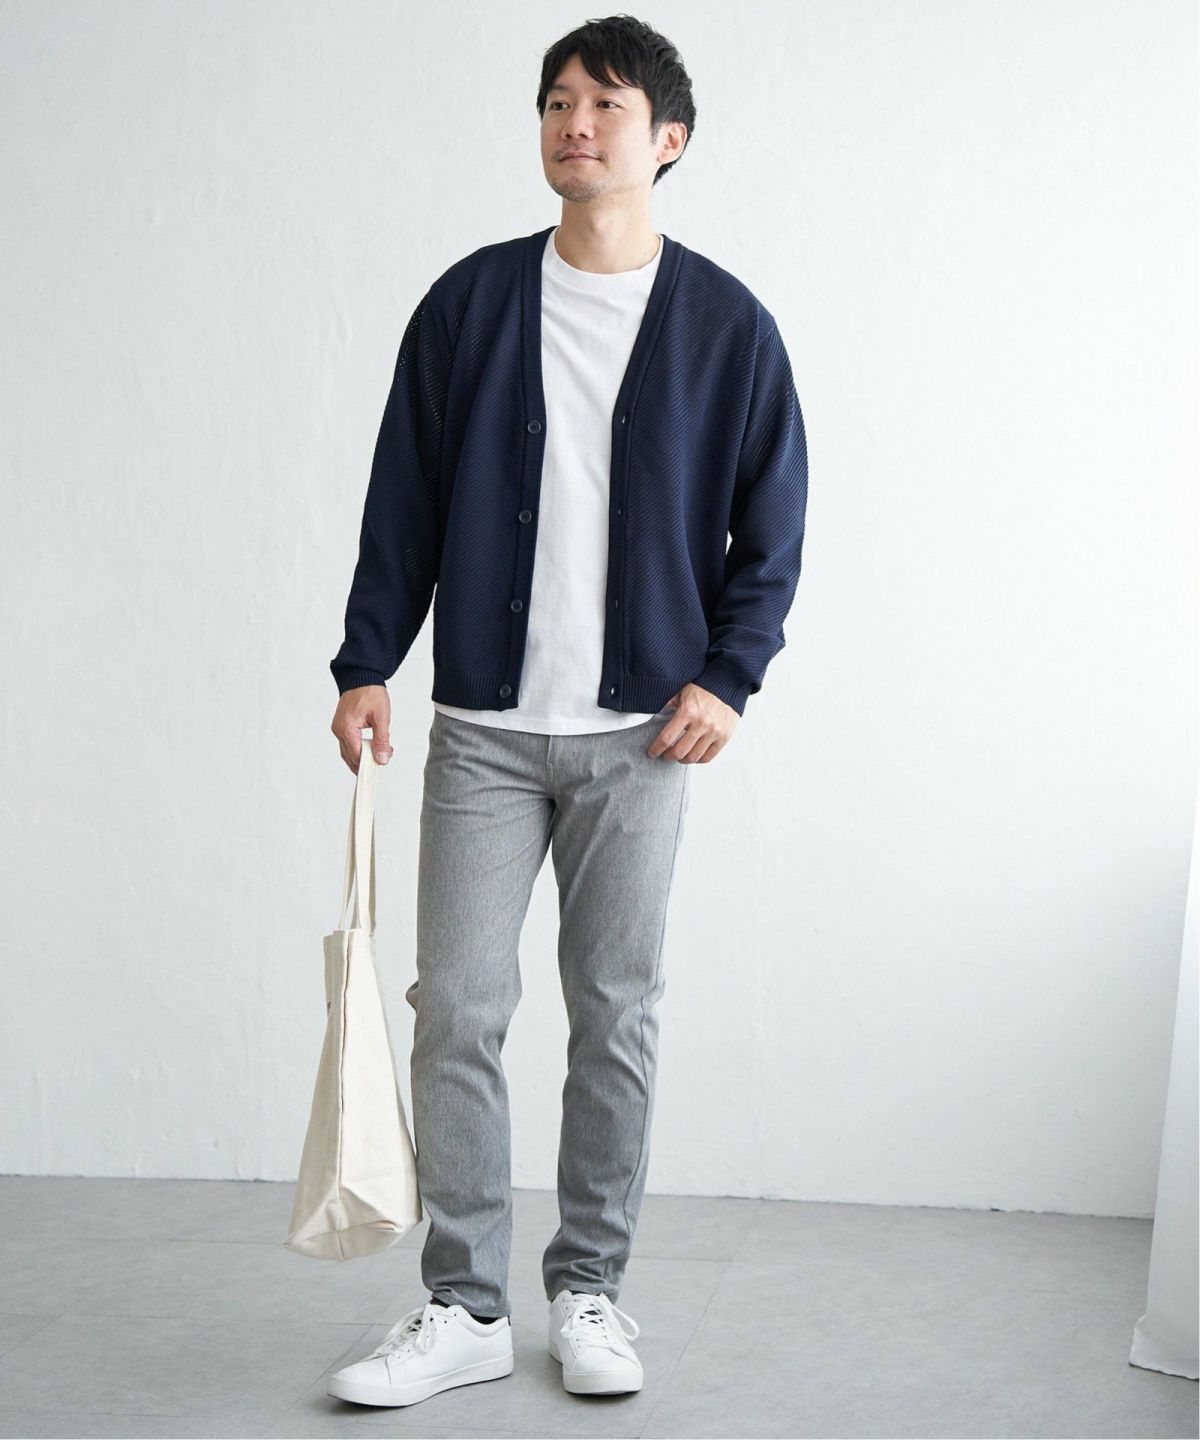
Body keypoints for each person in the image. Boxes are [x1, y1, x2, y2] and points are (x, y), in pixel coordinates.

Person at [324, 14, 808, 1411]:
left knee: (616, 1014)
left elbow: (773, 521)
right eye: (555, 102)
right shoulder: (471, 304)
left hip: (643, 737)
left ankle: (589, 1288)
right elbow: (403, 497)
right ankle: (465, 1305)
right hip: (483, 727)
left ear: (669, 138)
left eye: (605, 104)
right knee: (456, 1011)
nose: (574, 125)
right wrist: (367, 661)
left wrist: (730, 674)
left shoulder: (727, 327)